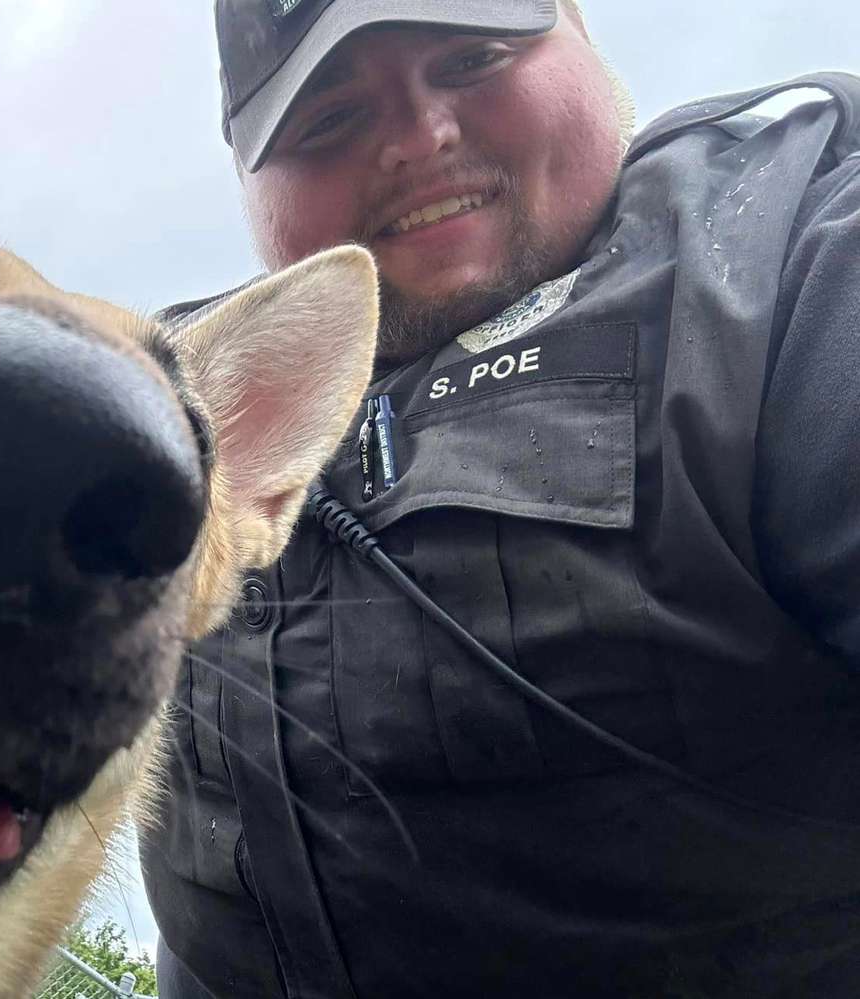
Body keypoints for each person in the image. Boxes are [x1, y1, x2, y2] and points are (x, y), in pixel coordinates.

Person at [142, 1, 860, 996]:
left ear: (582, 37)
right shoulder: (167, 387)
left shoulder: (784, 255)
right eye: (329, 121)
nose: (418, 136)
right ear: (249, 185)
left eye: (473, 56)